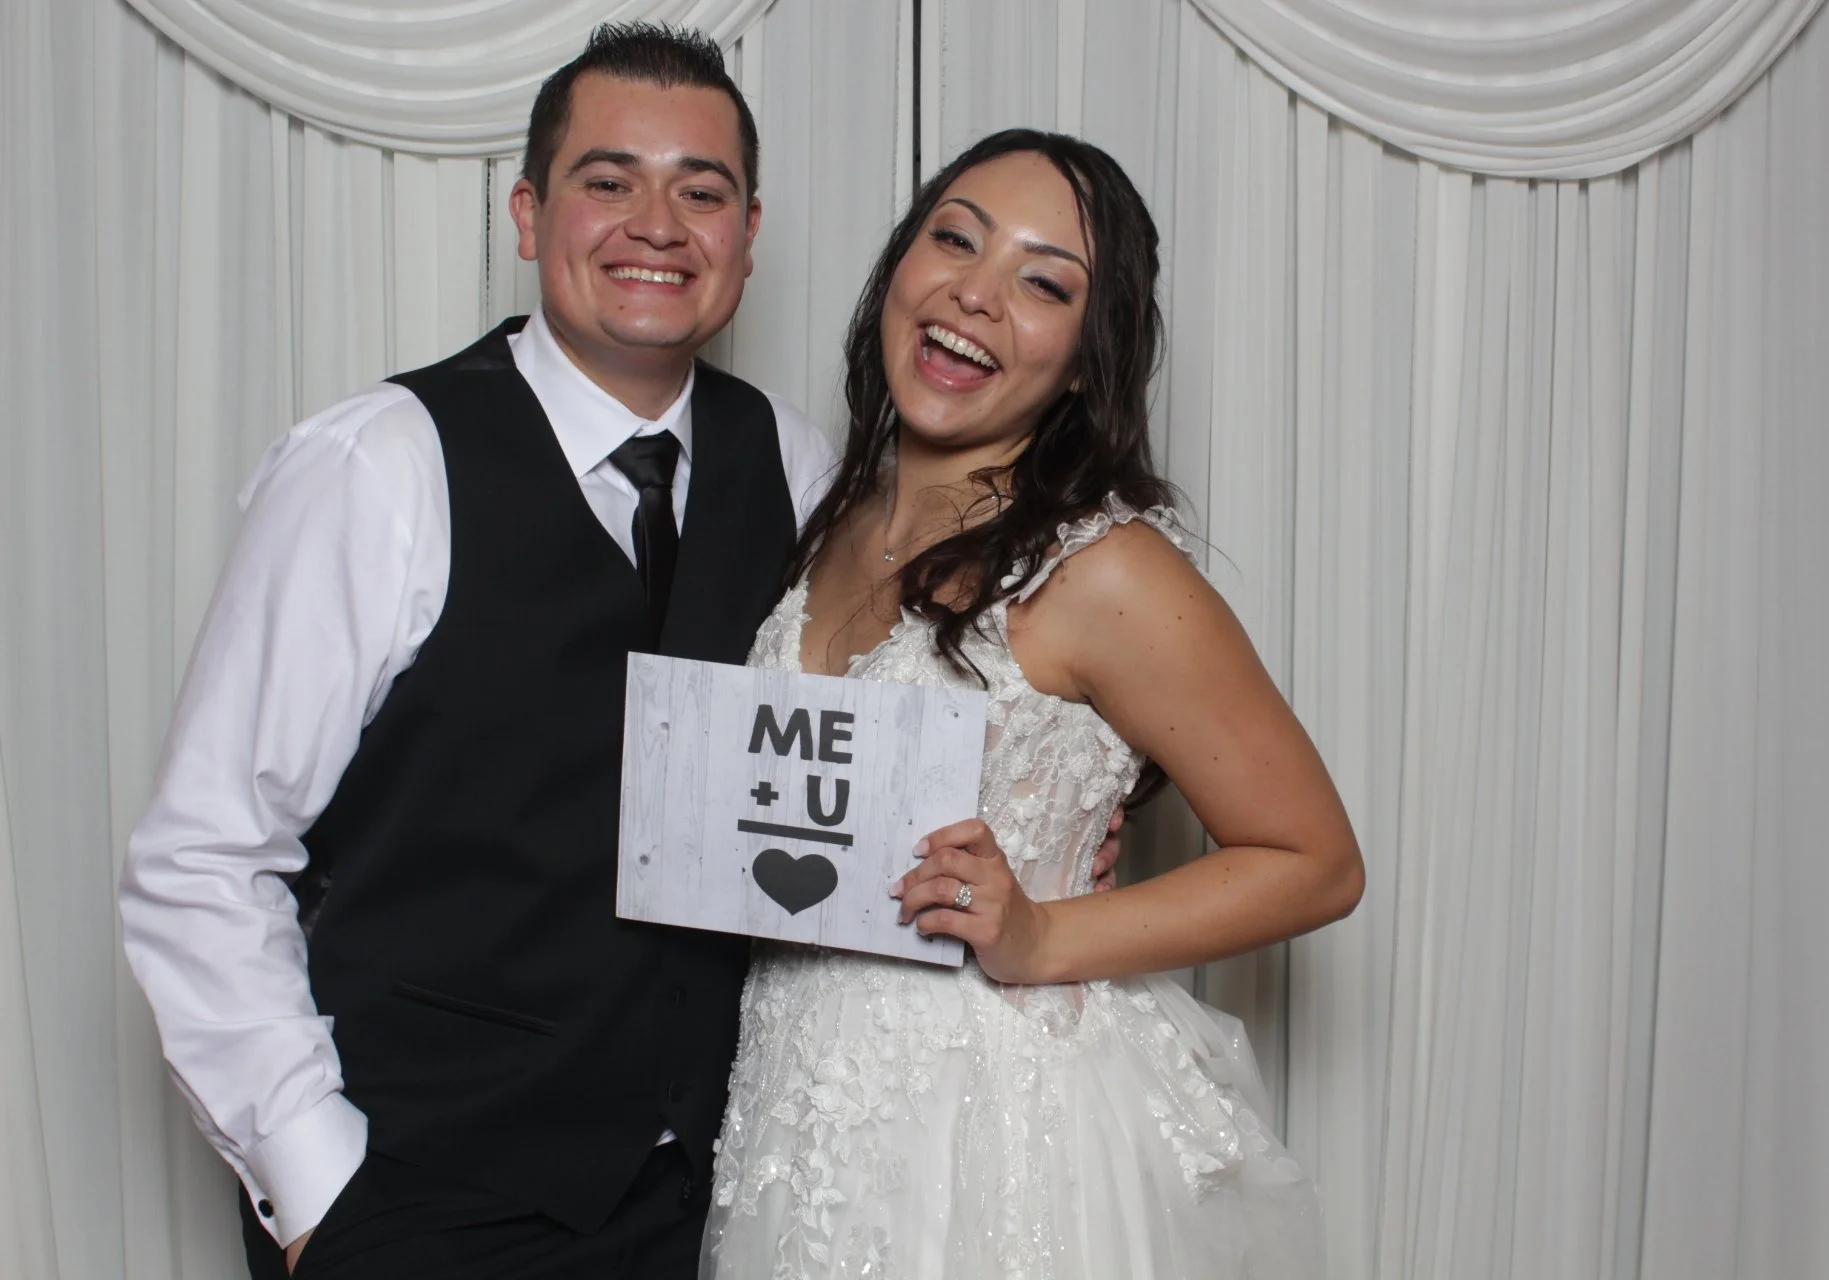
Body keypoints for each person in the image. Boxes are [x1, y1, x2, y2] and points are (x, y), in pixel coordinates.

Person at [119, 24, 1136, 1280]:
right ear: (528, 213)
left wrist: (1070, 819)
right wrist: (319, 1186)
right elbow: (204, 854)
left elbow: (897, 721)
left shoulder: (803, 474)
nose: (657, 224)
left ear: (747, 236)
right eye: (609, 180)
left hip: (697, 1200)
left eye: (700, 193)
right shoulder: (376, 465)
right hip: (418, 1187)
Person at [700, 129, 1365, 1279]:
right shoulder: (829, 514)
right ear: (899, 266)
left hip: (992, 1130)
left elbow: (1315, 859)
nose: (977, 292)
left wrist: (1046, 931)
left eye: (1044, 282)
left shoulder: (1105, 572)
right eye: (955, 239)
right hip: (795, 1106)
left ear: (1088, 361)